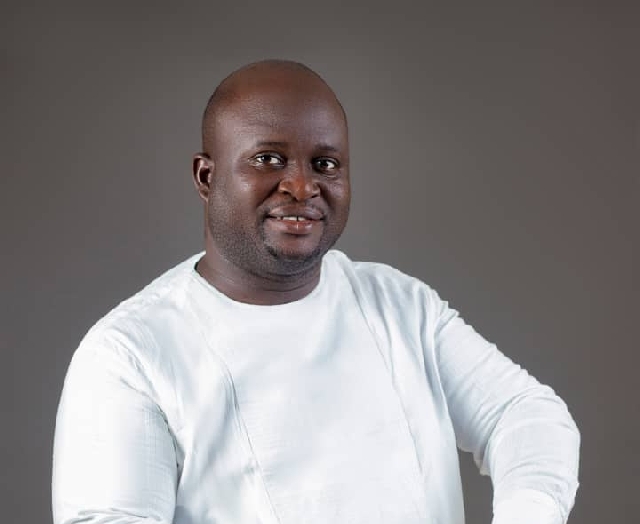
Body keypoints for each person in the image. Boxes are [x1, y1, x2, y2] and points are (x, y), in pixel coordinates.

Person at [52, 60, 580, 524]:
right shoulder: (130, 354)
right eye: (268, 159)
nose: (303, 187)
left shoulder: (398, 305)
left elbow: (525, 414)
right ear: (206, 177)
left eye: (325, 164)